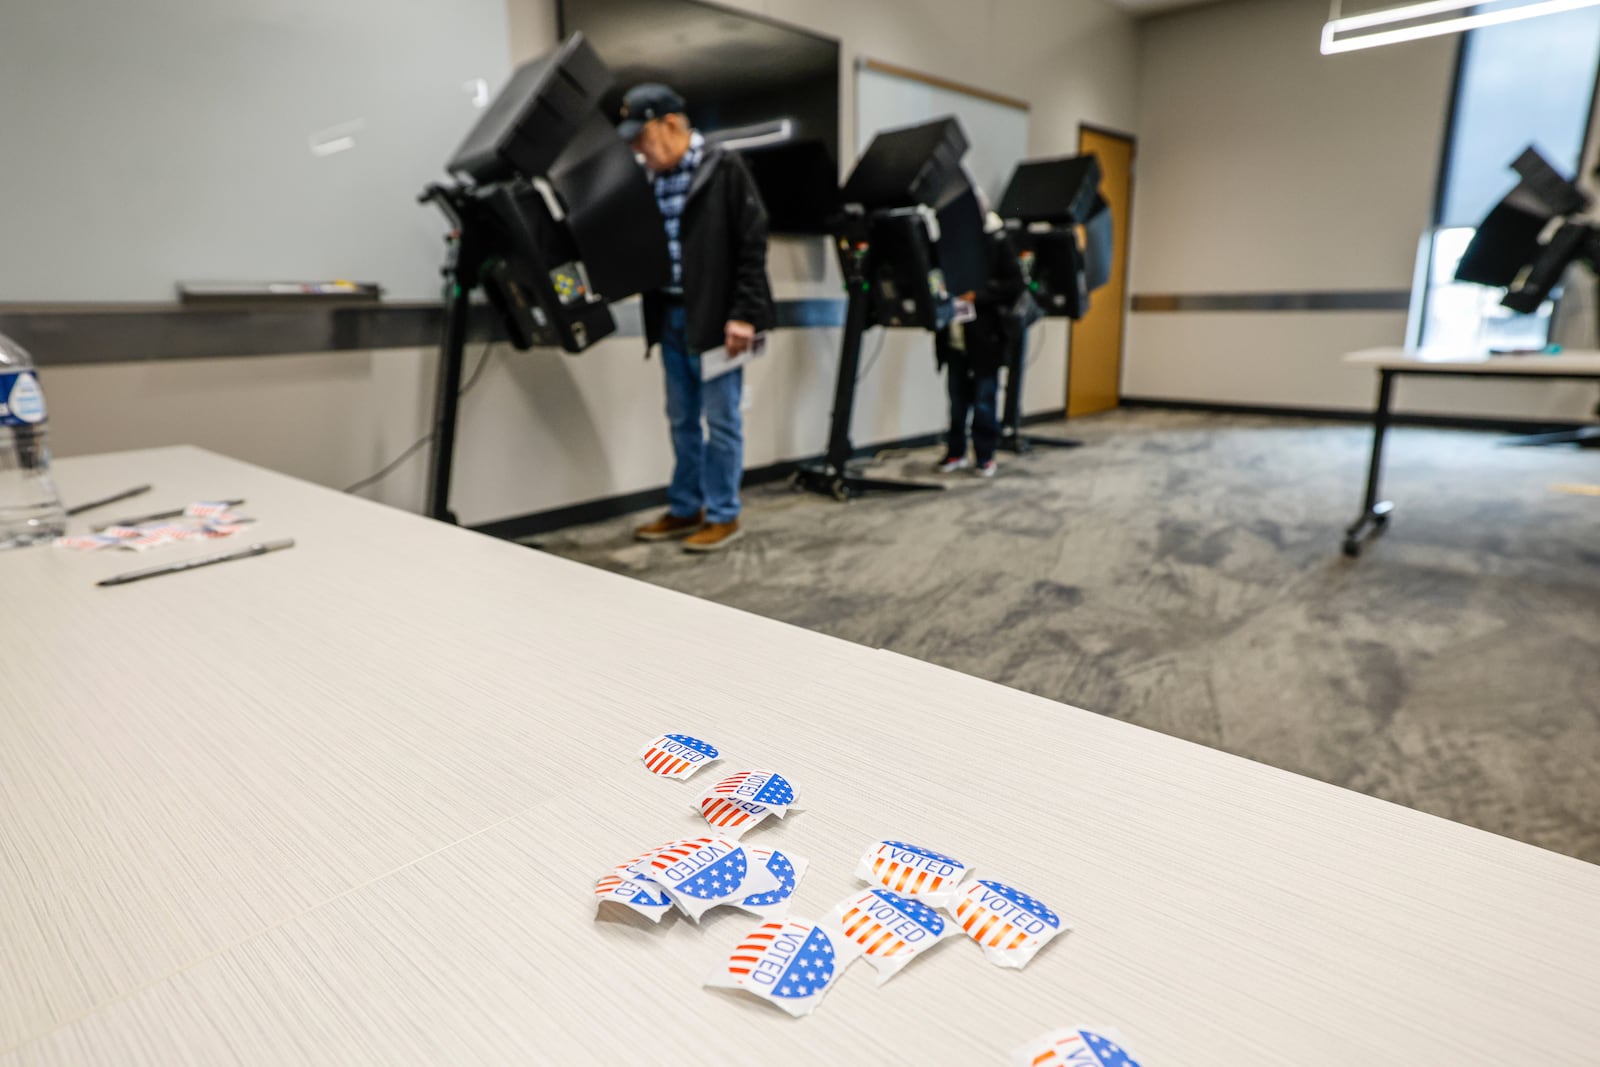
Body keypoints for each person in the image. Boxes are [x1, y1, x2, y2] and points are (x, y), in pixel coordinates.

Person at [619, 84, 775, 553]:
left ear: (670, 125)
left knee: (720, 419)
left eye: (641, 137)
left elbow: (752, 243)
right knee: (681, 419)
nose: (637, 150)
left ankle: (724, 514)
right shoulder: (651, 178)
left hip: (715, 317)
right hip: (668, 315)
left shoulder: (722, 167)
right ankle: (687, 507)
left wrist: (744, 315)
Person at [934, 210, 1026, 478]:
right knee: (957, 400)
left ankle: (985, 456)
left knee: (984, 400)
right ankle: (956, 451)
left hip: (985, 337)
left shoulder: (995, 242)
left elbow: (1015, 284)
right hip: (955, 335)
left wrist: (978, 294)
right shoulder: (947, 247)